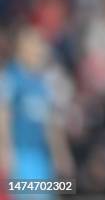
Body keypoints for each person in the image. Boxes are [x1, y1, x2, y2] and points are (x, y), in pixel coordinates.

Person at [0, 27, 75, 198]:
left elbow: (51, 123)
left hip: (43, 155)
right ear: (21, 48)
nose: (39, 50)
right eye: (34, 45)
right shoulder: (11, 78)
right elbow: (4, 116)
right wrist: (5, 151)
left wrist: (61, 154)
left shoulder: (45, 81)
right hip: (22, 155)